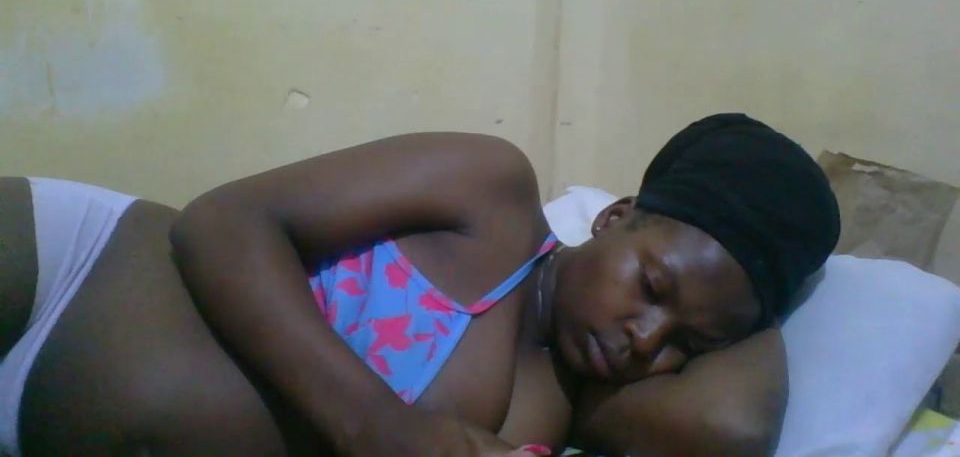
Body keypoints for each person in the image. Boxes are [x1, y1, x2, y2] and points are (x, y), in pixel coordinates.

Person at [0, 113, 840, 456]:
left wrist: (764, 295)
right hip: (62, 271)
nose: (643, 339)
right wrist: (376, 423)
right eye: (652, 286)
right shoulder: (491, 193)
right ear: (614, 217)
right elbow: (220, 223)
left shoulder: (553, 407)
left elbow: (731, 430)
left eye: (686, 343)